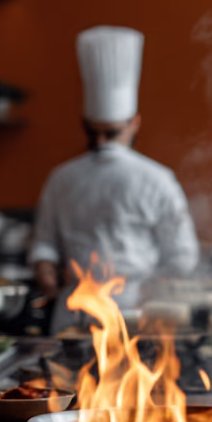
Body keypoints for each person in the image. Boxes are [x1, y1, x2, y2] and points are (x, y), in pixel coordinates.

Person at [30, 26, 199, 330]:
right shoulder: (158, 178)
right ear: (134, 124)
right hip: (127, 310)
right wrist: (155, 283)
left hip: (91, 312)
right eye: (95, 133)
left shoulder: (61, 176)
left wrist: (45, 269)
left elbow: (44, 245)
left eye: (108, 133)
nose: (102, 143)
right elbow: (183, 257)